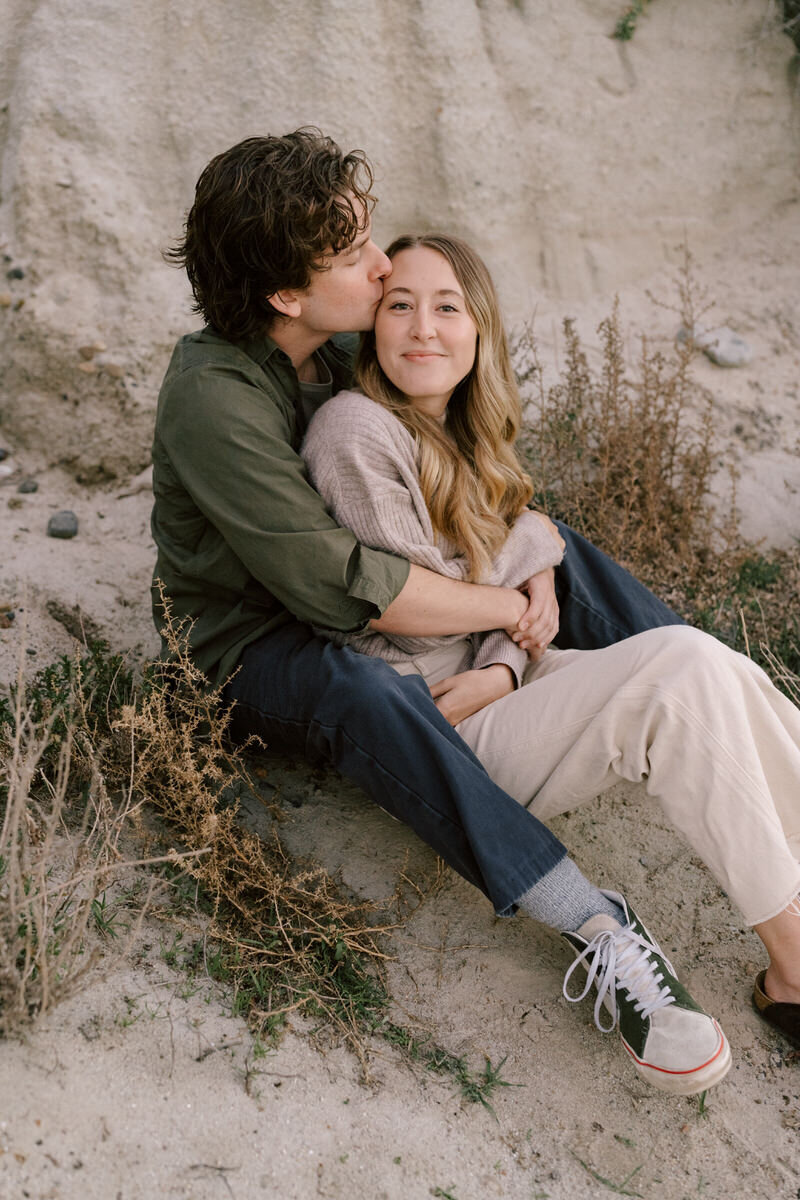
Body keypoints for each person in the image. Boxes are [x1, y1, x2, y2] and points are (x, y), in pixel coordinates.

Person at [151, 130, 735, 1099]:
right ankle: (596, 925)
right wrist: (509, 600)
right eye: (351, 257)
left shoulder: (337, 345)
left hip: (397, 601)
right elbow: (344, 587)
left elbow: (474, 479)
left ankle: (726, 705)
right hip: (255, 644)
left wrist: (523, 602)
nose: (381, 267)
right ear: (286, 295)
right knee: (360, 686)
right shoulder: (212, 401)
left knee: (564, 550)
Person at [301, 232, 800, 1084]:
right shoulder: (354, 429)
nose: (424, 328)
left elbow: (495, 564)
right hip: (438, 730)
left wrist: (510, 630)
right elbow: (418, 608)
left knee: (705, 663)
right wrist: (529, 556)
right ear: (371, 330)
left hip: (494, 690)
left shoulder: (455, 433)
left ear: (479, 330)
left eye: (448, 307)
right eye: (400, 305)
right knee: (672, 675)